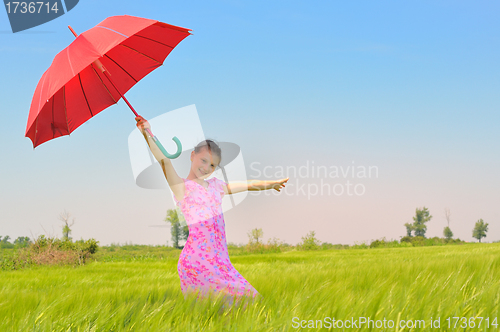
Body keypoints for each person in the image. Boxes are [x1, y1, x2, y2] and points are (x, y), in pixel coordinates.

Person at [135, 115, 289, 307]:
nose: (207, 167)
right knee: (234, 309)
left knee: (249, 306)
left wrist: (271, 184)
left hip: (222, 263)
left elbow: (248, 185)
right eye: (203, 160)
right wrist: (147, 133)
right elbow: (164, 162)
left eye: (213, 165)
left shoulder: (217, 186)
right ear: (192, 156)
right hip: (198, 262)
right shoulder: (182, 187)